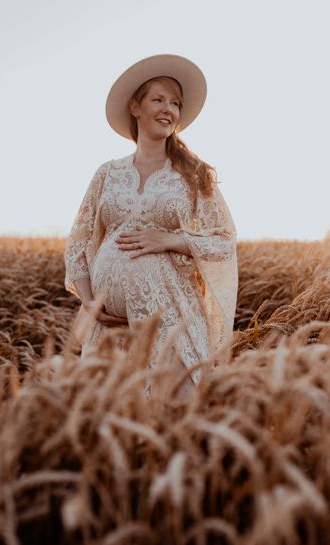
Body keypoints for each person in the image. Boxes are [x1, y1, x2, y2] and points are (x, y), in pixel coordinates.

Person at [64, 54, 238, 397]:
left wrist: (169, 239)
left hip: (171, 322)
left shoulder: (193, 174)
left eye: (175, 103)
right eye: (158, 99)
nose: (168, 109)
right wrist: (88, 301)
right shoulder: (107, 173)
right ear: (135, 107)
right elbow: (77, 245)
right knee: (111, 421)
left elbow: (224, 241)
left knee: (170, 416)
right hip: (111, 333)